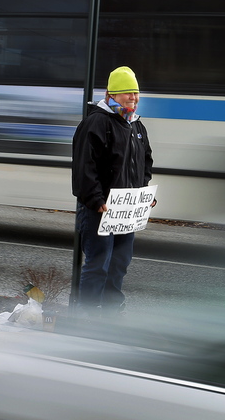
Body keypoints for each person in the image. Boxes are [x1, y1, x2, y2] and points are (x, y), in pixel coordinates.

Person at [71, 66, 154, 317]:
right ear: (112, 94)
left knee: (119, 263)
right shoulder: (97, 123)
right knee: (98, 264)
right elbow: (85, 167)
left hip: (125, 210)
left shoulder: (136, 126)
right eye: (127, 93)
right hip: (101, 209)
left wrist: (144, 195)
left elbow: (145, 163)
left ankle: (111, 310)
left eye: (136, 93)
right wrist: (95, 200)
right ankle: (86, 313)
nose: (133, 98)